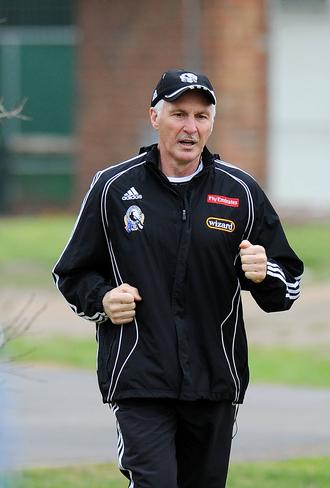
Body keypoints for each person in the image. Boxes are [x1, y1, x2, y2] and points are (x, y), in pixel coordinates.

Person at [53, 69, 303, 488]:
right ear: (155, 117)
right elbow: (72, 272)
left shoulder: (240, 192)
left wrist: (264, 273)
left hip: (214, 378)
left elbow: (287, 284)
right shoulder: (113, 188)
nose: (190, 128)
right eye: (178, 114)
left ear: (212, 123)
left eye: (202, 116)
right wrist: (102, 300)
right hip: (139, 377)